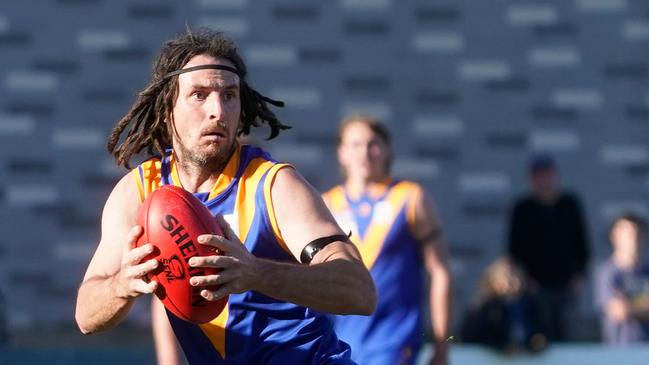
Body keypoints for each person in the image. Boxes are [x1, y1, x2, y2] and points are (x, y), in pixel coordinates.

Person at [74, 29, 377, 365]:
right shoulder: (140, 192)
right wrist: (121, 285)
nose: (218, 110)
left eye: (229, 95)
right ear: (166, 108)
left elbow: (359, 290)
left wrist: (257, 273)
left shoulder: (273, 186)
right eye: (200, 95)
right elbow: (86, 316)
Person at [322, 114, 452, 365]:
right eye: (355, 145)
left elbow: (440, 273)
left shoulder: (411, 198)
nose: (365, 153)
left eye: (373, 144)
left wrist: (442, 346)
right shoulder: (327, 204)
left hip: (394, 342)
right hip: (339, 341)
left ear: (387, 150)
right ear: (342, 152)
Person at [507, 154, 590, 341]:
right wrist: (526, 281)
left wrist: (578, 276)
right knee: (539, 333)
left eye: (547, 175)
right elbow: (514, 251)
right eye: (539, 176)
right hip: (535, 288)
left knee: (567, 332)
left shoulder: (569, 205)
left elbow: (581, 244)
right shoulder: (523, 209)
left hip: (565, 286)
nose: (544, 180)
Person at [461, 257, 546, 353]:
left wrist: (535, 343)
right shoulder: (485, 307)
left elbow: (543, 332)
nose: (513, 281)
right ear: (494, 280)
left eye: (517, 275)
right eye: (507, 277)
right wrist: (501, 346)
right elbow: (472, 335)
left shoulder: (532, 305)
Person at [595, 213, 649, 344]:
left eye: (637, 233)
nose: (634, 239)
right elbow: (619, 311)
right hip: (620, 351)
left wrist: (630, 304)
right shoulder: (607, 273)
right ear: (614, 237)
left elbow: (626, 308)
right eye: (628, 234)